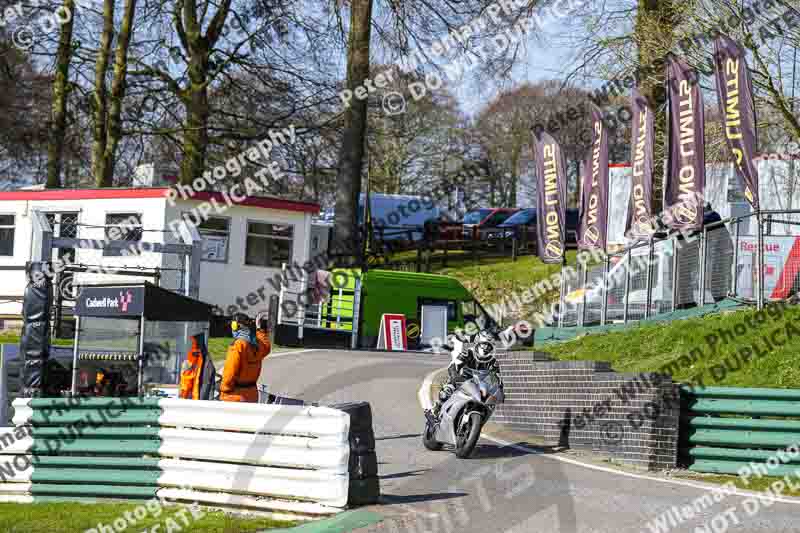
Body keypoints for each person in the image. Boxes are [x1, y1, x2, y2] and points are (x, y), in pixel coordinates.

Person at [427, 324, 499, 419]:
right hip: (462, 380)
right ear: (479, 342)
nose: (485, 348)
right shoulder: (468, 353)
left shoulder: (493, 361)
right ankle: (437, 408)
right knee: (447, 390)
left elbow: (496, 377)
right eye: (484, 344)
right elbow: (453, 366)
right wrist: (455, 376)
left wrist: (498, 388)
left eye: (488, 346)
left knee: (491, 403)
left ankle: (479, 421)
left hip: (479, 386)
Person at [220, 312, 271, 402]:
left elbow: (230, 371)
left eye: (233, 325)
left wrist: (224, 389)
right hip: (252, 394)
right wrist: (260, 330)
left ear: (237, 326)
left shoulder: (237, 346)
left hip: (235, 395)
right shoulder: (258, 344)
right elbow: (266, 346)